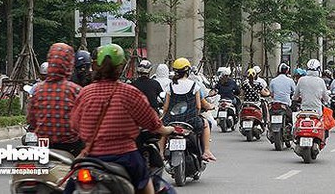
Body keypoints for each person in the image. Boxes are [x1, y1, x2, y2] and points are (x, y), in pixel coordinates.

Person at [71, 44, 175, 194]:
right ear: (121, 67)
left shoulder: (85, 93)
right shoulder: (130, 93)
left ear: (95, 65)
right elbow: (152, 123)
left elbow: (74, 124)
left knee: (70, 186)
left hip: (91, 157)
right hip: (126, 156)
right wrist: (168, 130)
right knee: (145, 181)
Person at [28, 43, 83, 156]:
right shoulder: (75, 90)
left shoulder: (38, 90)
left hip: (43, 145)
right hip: (71, 147)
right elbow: (84, 122)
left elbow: (31, 120)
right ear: (70, 64)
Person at [161, 57, 216, 162]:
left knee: (163, 129)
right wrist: (197, 114)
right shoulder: (195, 85)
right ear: (188, 71)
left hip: (172, 120)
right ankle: (206, 151)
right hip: (190, 121)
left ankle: (160, 153)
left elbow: (166, 107)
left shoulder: (170, 86)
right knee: (205, 124)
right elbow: (199, 106)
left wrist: (163, 117)